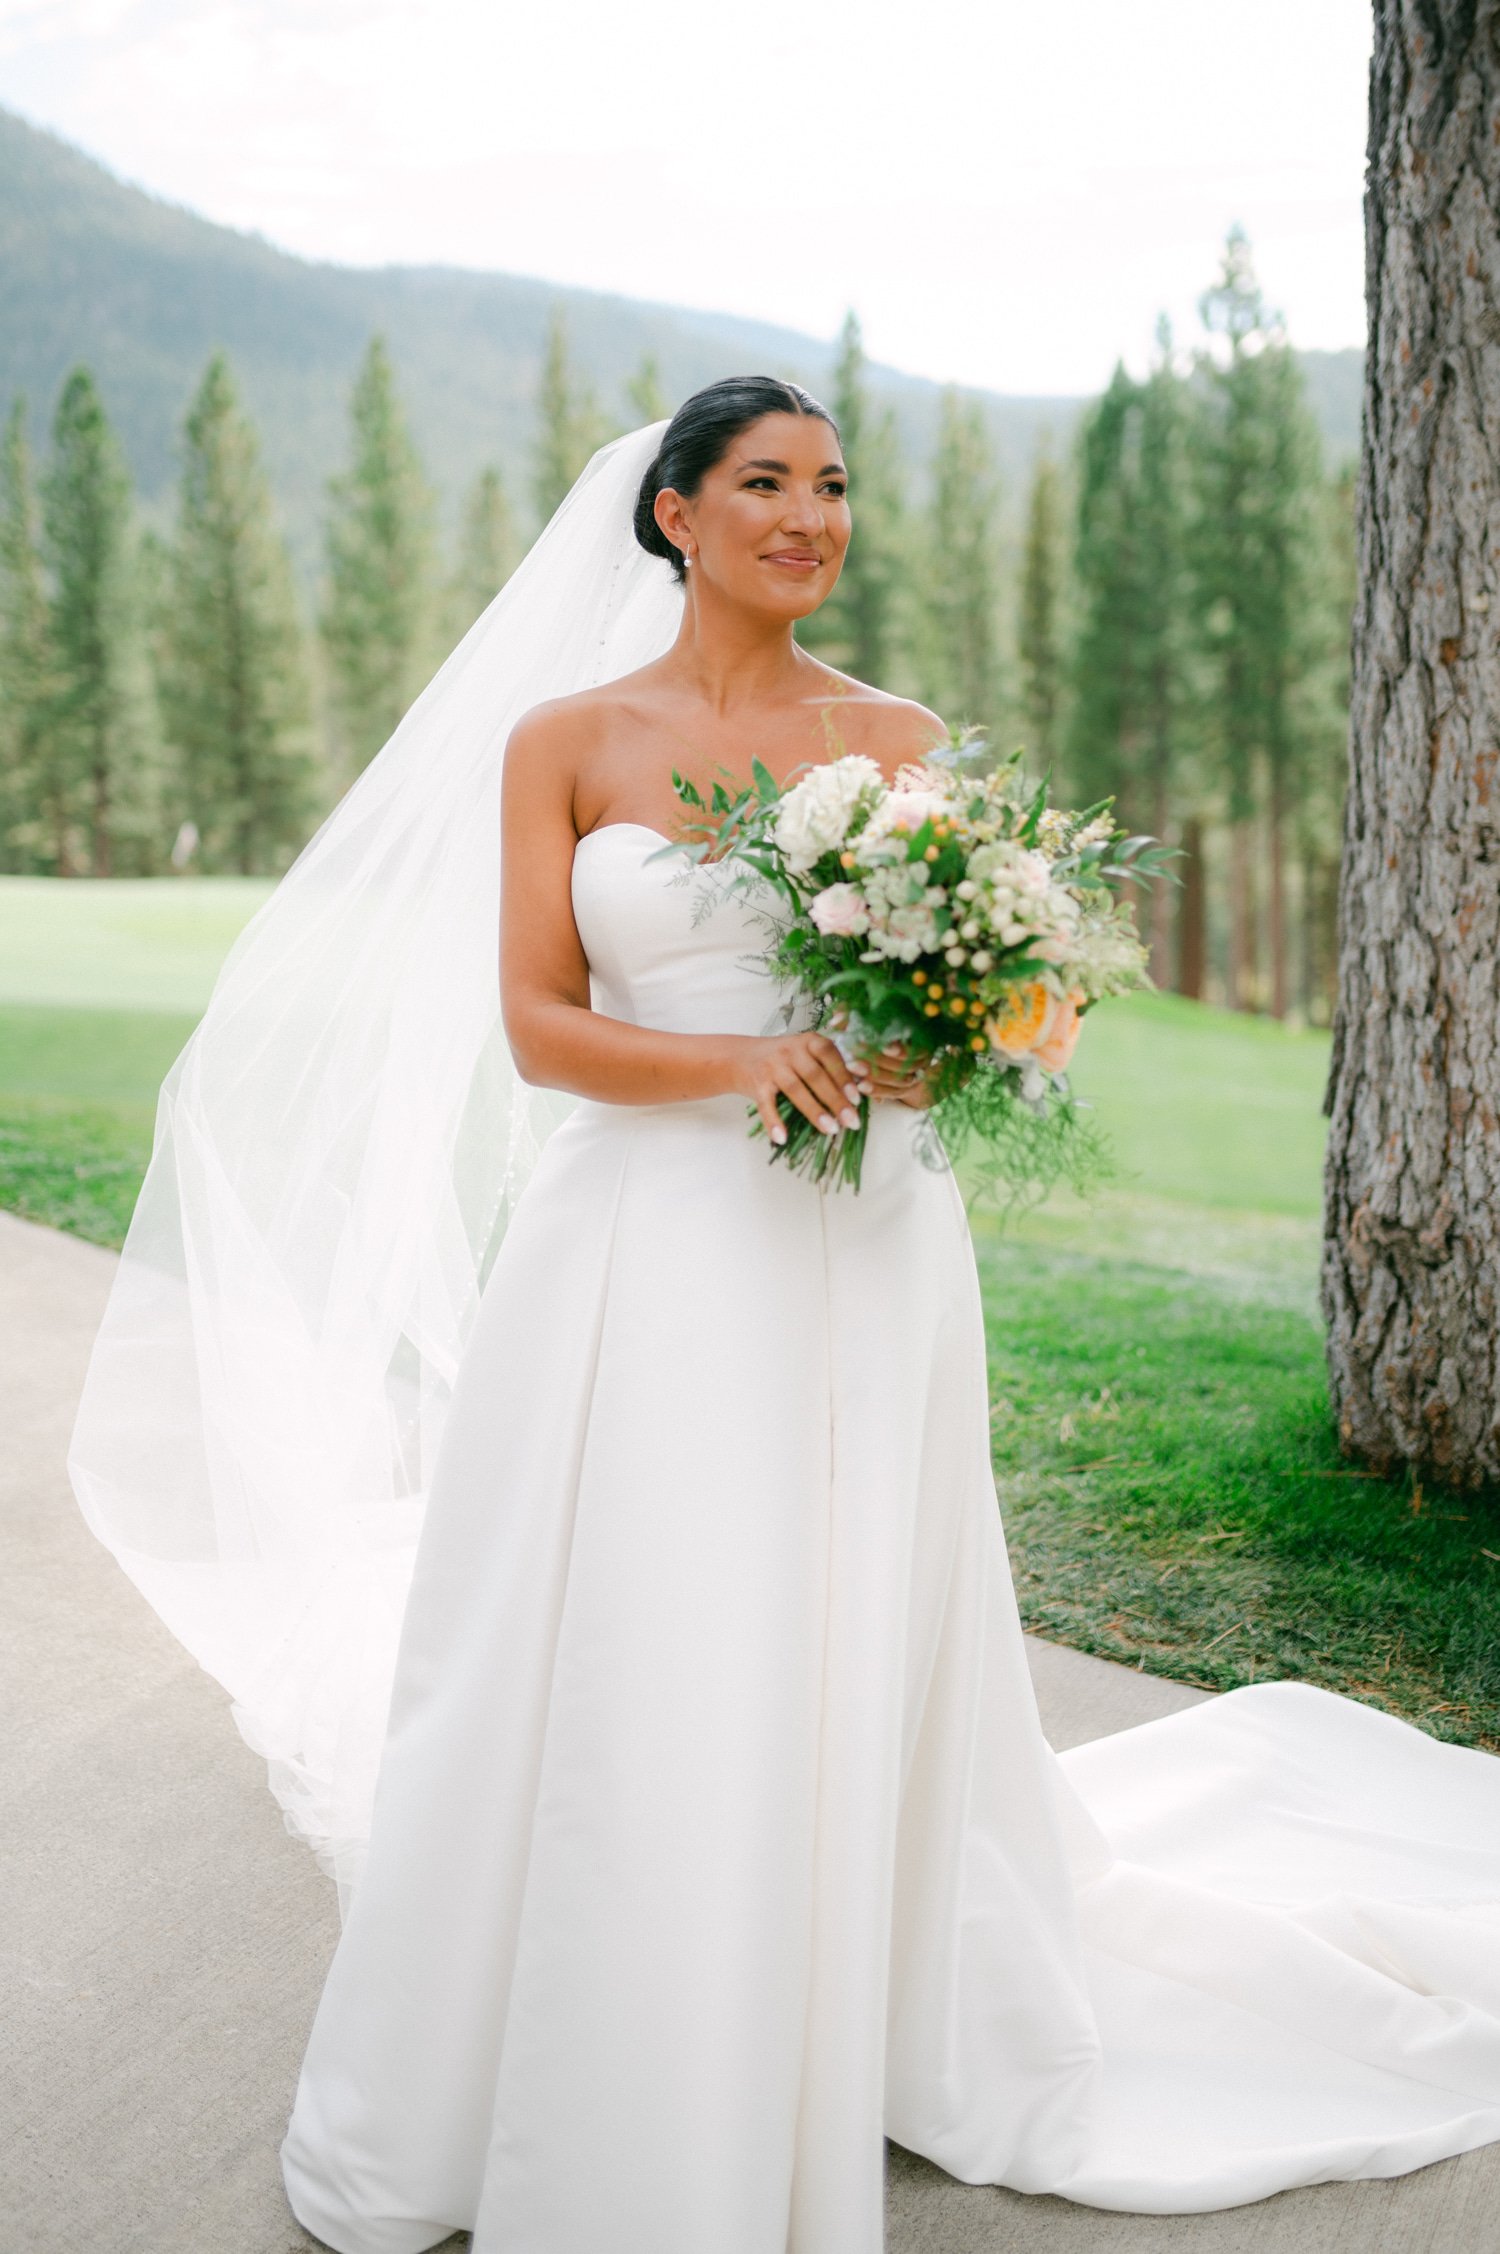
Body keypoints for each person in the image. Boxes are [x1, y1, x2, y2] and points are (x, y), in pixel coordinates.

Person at [71, 382, 1500, 2254]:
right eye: (766, 483)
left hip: (859, 1251)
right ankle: (594, 2029)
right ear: (673, 515)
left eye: (832, 485)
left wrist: (993, 1018)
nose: (809, 514)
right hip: (627, 1251)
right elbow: (537, 1020)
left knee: (823, 1618)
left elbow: (1032, 999)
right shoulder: (562, 740)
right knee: (607, 1626)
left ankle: (831, 2008)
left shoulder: (899, 737)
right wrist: (750, 1053)